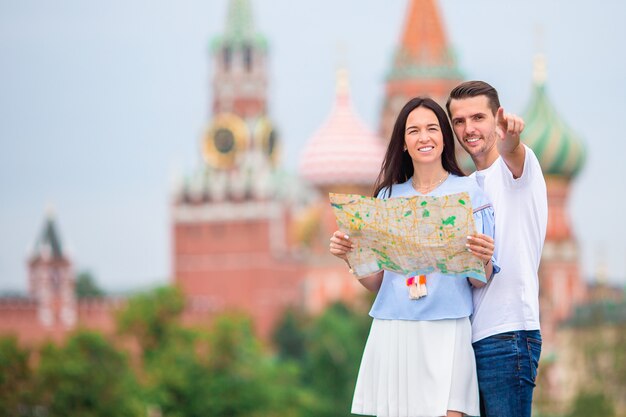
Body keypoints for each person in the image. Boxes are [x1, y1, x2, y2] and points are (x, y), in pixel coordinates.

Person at [329, 97, 498, 417]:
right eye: (414, 130)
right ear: (403, 143)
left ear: (444, 137)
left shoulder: (469, 192)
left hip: (448, 328)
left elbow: (478, 279)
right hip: (395, 328)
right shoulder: (386, 197)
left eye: (432, 128)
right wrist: (351, 256)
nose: (424, 137)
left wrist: (485, 258)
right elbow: (378, 283)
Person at [446, 81, 548, 417]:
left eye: (478, 118)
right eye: (459, 121)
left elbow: (513, 151)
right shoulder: (467, 186)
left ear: (496, 119)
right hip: (471, 337)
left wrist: (513, 137)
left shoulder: (516, 169)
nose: (469, 129)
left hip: (509, 336)